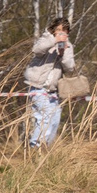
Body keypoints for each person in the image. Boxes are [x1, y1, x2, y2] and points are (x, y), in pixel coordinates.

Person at [24, 18, 75, 148]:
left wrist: (63, 54)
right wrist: (54, 40)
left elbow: (70, 68)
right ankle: (35, 147)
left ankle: (46, 147)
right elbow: (37, 50)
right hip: (37, 85)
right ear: (53, 30)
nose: (61, 33)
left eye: (64, 30)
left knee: (54, 120)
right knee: (44, 117)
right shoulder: (45, 39)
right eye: (58, 30)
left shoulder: (68, 46)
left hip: (53, 90)